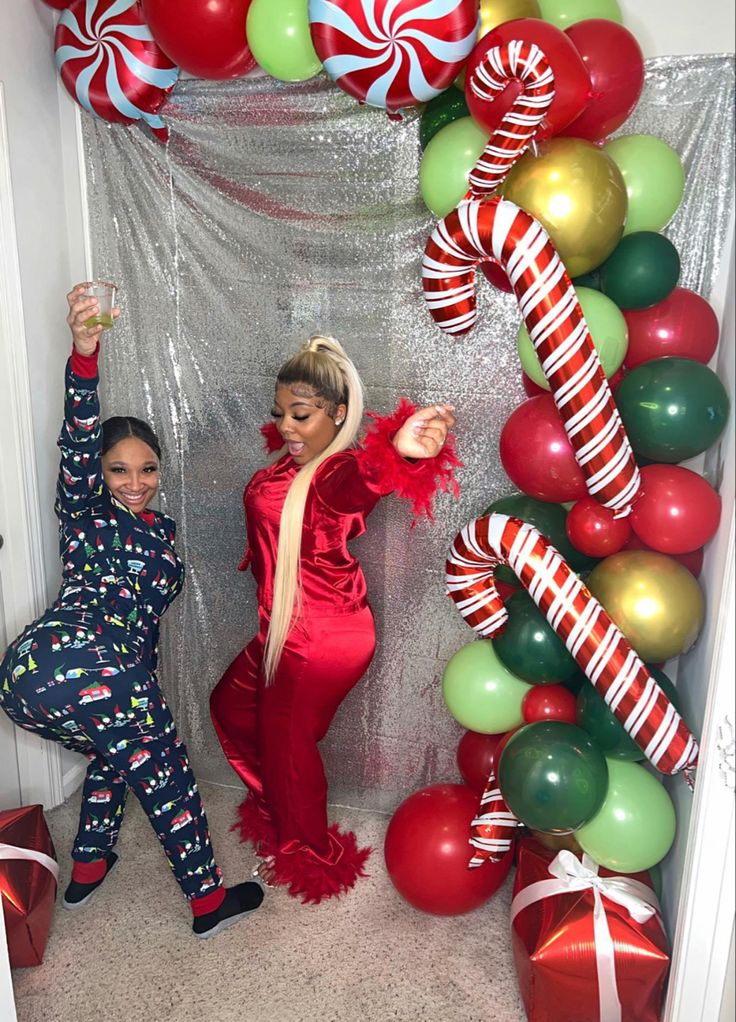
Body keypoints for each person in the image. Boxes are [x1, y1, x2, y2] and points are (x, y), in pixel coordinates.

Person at [0, 284, 264, 938]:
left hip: (51, 677)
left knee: (119, 750)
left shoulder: (160, 528)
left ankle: (88, 866)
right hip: (65, 650)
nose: (135, 482)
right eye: (119, 470)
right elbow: (79, 436)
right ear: (100, 476)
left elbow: (142, 622)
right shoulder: (86, 512)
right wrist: (85, 353)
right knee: (163, 766)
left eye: (147, 469)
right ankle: (207, 903)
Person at [210, 335, 459, 904]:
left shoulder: (333, 473)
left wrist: (398, 451)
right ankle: (279, 800)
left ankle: (306, 852)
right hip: (286, 626)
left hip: (322, 635)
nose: (288, 428)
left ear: (339, 415)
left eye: (301, 415)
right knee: (231, 706)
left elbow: (361, 484)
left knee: (289, 742)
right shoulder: (293, 464)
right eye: (281, 415)